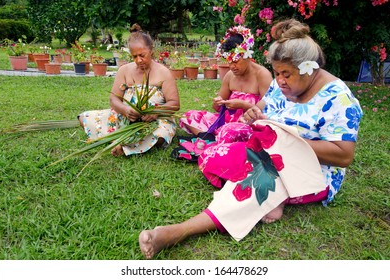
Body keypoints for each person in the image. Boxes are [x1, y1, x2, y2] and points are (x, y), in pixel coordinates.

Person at [139, 19, 363, 259]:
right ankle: (274, 195)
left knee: (259, 181)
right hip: (271, 151)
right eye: (277, 73)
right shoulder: (283, 83)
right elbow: (265, 108)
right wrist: (255, 113)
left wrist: (288, 140)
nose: (280, 81)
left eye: (286, 74)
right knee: (212, 155)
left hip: (312, 171)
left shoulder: (338, 98)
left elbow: (344, 155)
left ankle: (178, 231)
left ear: (310, 68)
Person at [78, 24, 180, 156]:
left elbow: (175, 103)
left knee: (161, 135)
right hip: (125, 119)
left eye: (142, 55)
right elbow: (114, 99)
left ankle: (125, 146)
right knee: (84, 118)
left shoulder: (163, 72)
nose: (139, 60)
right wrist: (125, 110)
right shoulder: (124, 71)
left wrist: (155, 112)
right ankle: (125, 138)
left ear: (151, 50)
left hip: (154, 122)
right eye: (134, 56)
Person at [179, 25, 272, 138]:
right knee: (188, 116)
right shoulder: (229, 75)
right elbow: (217, 108)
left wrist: (243, 105)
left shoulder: (262, 75)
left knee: (230, 131)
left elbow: (269, 111)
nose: (232, 66)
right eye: (229, 62)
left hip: (249, 124)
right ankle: (210, 137)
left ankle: (213, 137)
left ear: (247, 55)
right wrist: (218, 102)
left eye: (236, 61)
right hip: (225, 122)